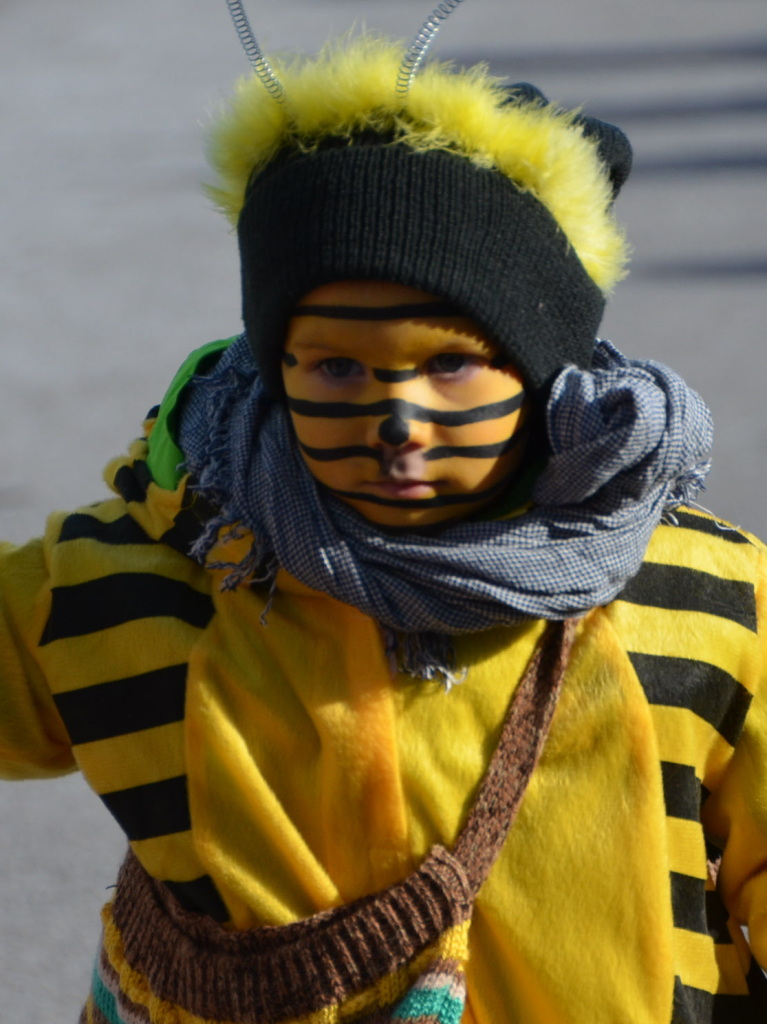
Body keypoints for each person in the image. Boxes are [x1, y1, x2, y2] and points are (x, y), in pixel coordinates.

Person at [1, 30, 766, 1024]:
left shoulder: (699, 598)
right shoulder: (127, 592)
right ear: (274, 366)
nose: (395, 424)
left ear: (541, 369)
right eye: (337, 368)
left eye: (449, 363)